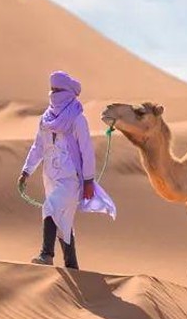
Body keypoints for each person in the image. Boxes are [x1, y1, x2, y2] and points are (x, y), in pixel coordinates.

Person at [18, 70, 116, 268]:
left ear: (69, 92)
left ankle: (46, 255)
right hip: (50, 177)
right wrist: (26, 171)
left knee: (50, 207)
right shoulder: (45, 120)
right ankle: (72, 266)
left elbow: (87, 151)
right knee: (63, 222)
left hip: (72, 179)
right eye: (52, 89)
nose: (53, 93)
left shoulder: (78, 119)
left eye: (58, 90)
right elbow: (38, 147)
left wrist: (88, 181)